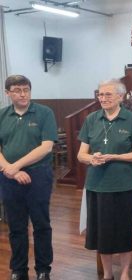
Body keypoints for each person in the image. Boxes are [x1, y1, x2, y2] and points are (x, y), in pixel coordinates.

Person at [77, 79, 132, 280]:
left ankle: (124, 272)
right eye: (100, 94)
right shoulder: (91, 119)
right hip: (97, 186)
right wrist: (92, 158)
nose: (103, 98)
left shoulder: (131, 119)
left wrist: (114, 157)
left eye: (108, 94)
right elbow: (81, 155)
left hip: (123, 185)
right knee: (102, 233)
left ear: (120, 97)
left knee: (124, 230)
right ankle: (108, 274)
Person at [0, 75, 57, 280]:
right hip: (8, 177)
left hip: (38, 175)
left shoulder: (44, 113)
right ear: (8, 93)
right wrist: (10, 169)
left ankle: (43, 269)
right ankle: (18, 270)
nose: (23, 94)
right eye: (17, 90)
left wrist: (16, 166)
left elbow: (46, 146)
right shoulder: (2, 115)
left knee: (41, 224)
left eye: (26, 89)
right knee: (16, 226)